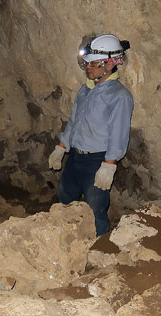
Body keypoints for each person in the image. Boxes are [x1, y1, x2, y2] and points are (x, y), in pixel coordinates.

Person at [48, 33, 134, 236]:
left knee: (95, 210)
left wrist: (110, 163)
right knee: (64, 201)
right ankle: (64, 242)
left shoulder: (119, 96)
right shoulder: (85, 90)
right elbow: (74, 121)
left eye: (94, 64)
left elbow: (118, 133)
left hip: (97, 160)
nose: (88, 67)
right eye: (87, 63)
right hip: (75, 157)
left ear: (110, 63)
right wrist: (62, 147)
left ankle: (99, 251)